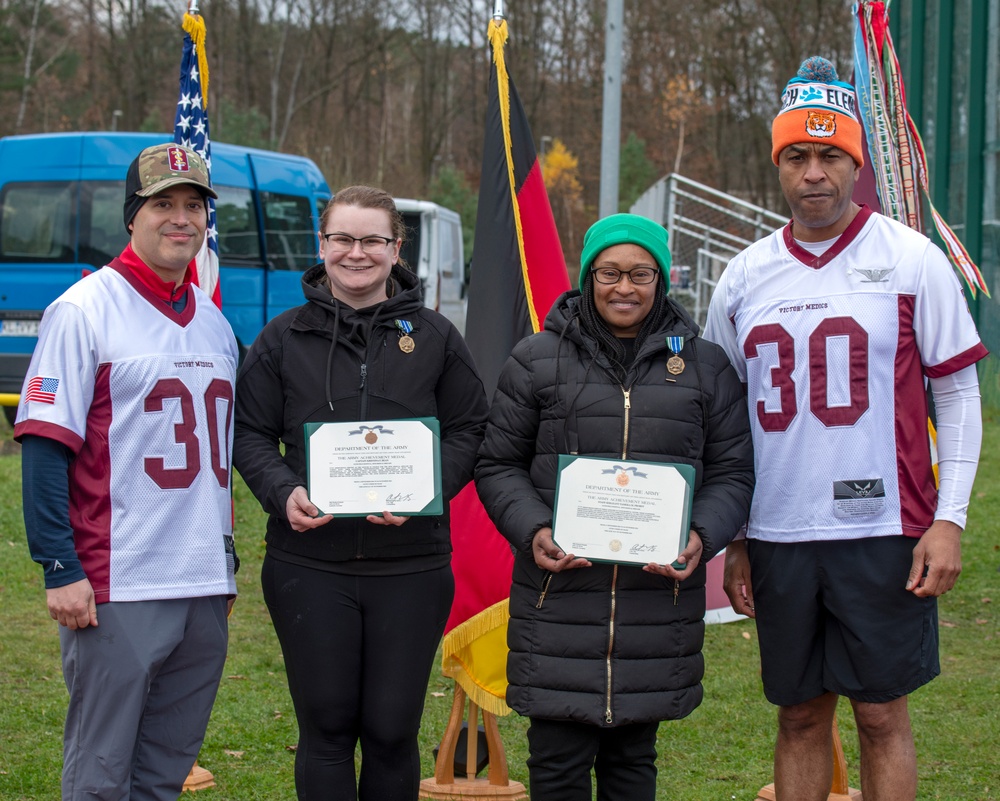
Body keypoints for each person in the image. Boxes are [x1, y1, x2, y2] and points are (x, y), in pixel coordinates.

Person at [703, 57, 988, 801]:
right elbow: (724, 417)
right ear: (778, 163)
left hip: (884, 527)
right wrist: (736, 537)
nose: (814, 172)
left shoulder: (911, 258)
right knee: (798, 714)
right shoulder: (742, 277)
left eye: (831, 155)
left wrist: (948, 519)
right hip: (778, 531)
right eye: (797, 155)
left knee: (882, 713)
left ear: (856, 162)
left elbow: (957, 396)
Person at [475, 213, 754, 801]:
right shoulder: (535, 359)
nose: (624, 287)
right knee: (555, 765)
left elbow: (733, 471)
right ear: (587, 275)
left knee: (633, 763)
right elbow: (497, 464)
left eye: (640, 273)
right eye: (609, 272)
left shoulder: (705, 368)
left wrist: (703, 533)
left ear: (662, 279)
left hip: (654, 607)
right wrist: (534, 530)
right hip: (557, 602)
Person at [232, 185, 488, 801]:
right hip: (308, 565)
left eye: (372, 240)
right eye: (343, 238)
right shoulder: (282, 338)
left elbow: (471, 428)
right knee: (326, 728)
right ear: (322, 246)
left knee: (391, 731)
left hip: (412, 566)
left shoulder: (434, 337)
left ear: (396, 248)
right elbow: (249, 433)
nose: (357, 253)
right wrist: (283, 490)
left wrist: (428, 487)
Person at [15, 142, 238, 801]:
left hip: (202, 577)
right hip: (120, 578)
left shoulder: (215, 322)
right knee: (101, 771)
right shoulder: (84, 309)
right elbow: (45, 445)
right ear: (131, 217)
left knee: (164, 767)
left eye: (193, 205)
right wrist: (60, 565)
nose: (181, 219)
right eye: (162, 204)